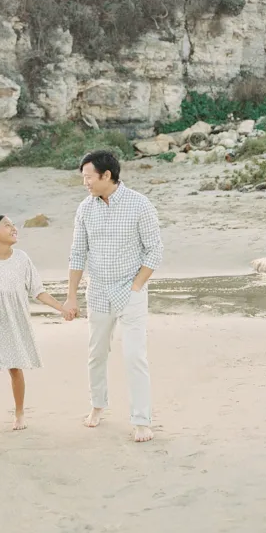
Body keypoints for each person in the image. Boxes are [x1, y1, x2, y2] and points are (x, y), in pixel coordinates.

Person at [63, 150, 163, 443]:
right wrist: (71, 296)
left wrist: (136, 286)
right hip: (98, 292)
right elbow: (78, 253)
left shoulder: (139, 205)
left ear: (107, 176)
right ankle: (98, 405)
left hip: (129, 290)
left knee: (135, 356)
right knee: (96, 354)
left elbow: (154, 250)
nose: (85, 183)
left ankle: (142, 421)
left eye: (88, 177)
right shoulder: (85, 208)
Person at [0, 215, 73, 452]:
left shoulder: (22, 259)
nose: (13, 228)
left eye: (13, 224)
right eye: (7, 225)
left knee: (14, 370)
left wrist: (62, 307)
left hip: (14, 322)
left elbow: (37, 291)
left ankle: (19, 412)